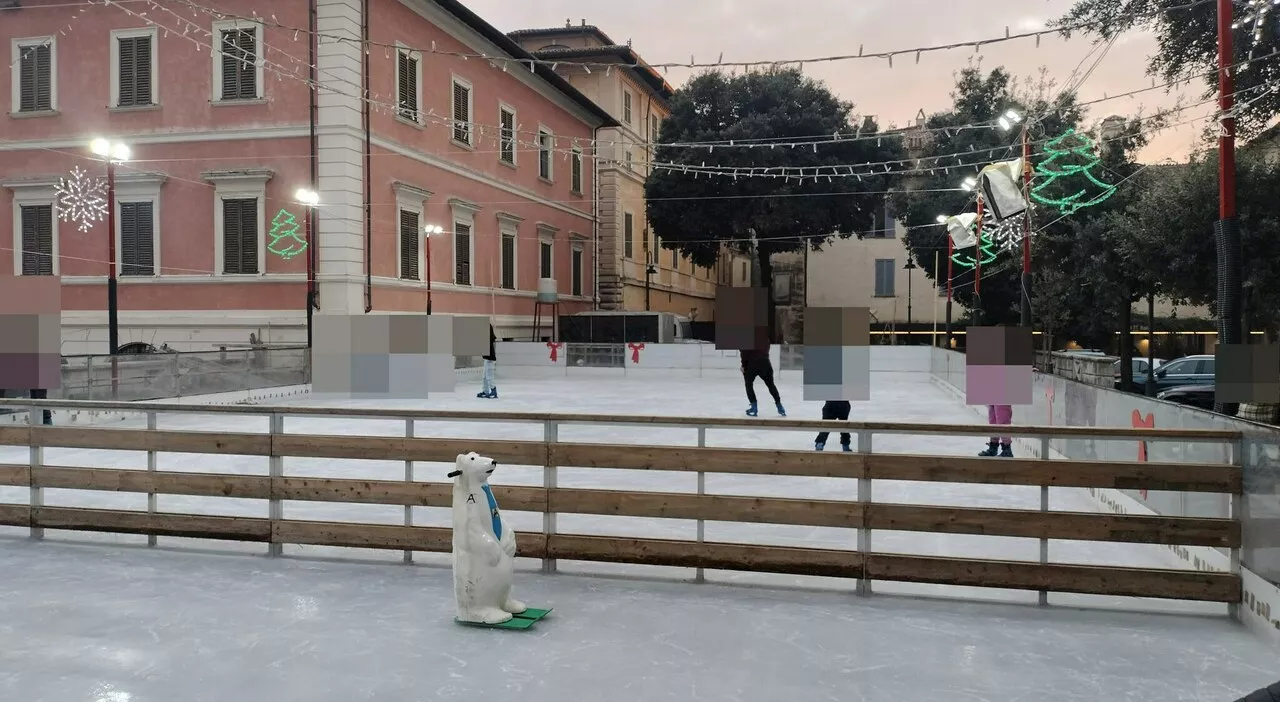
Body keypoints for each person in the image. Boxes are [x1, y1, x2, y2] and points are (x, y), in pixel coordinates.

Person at [740, 343, 784, 417]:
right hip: (765, 362)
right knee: (771, 385)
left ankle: (754, 407)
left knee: (748, 384)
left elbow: (744, 352)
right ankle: (779, 405)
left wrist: (743, 365)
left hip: (751, 364)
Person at [477, 326, 498, 399]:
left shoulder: (489, 341)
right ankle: (485, 391)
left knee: (489, 376)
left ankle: (493, 390)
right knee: (484, 376)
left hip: (490, 360)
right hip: (487, 359)